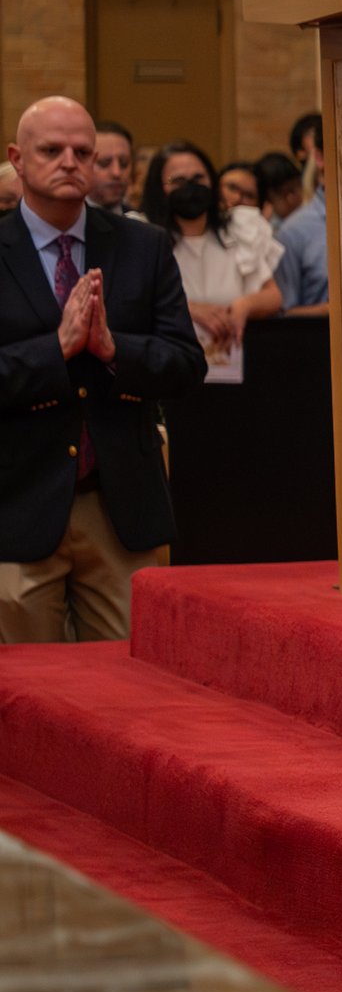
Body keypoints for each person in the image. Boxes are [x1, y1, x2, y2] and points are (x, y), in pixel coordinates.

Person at [0, 98, 207, 641]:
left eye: (83, 151)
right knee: (27, 693)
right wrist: (57, 348)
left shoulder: (143, 246)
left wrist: (114, 350)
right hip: (18, 502)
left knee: (131, 688)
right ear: (18, 158)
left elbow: (186, 363)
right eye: (52, 150)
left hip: (121, 506)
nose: (70, 161)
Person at [143, 142, 280, 375]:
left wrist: (244, 306)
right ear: (159, 188)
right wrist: (189, 309)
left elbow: (273, 296)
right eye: (179, 181)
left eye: (199, 178)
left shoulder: (239, 230)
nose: (191, 187)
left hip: (233, 369)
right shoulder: (143, 235)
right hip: (168, 372)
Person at [273, 124, 328, 313]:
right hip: (318, 338)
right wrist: (336, 311)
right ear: (319, 157)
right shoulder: (293, 231)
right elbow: (285, 313)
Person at [88, 122, 137, 216]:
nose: (116, 172)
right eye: (104, 163)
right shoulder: (68, 224)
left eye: (124, 164)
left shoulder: (140, 224)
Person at [254, 152, 305, 227]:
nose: (291, 199)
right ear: (267, 201)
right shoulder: (269, 228)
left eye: (293, 190)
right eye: (282, 193)